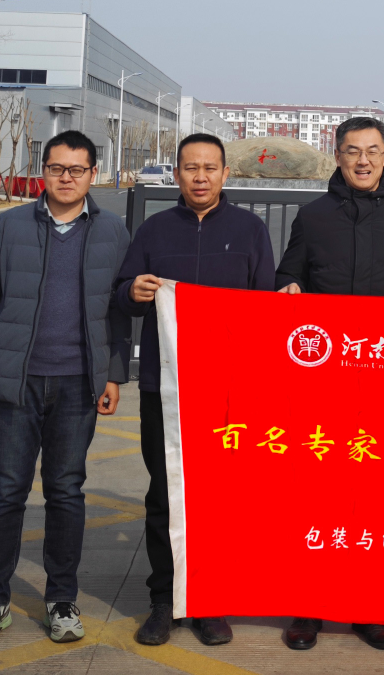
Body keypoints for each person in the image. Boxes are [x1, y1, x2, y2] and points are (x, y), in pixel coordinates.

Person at [275, 114, 384, 651]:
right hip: (323, 383)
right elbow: (289, 273)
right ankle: (308, 607)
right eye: (352, 151)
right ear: (338, 156)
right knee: (317, 496)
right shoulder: (313, 216)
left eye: (372, 151)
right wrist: (289, 287)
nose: (363, 160)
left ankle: (371, 607)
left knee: (378, 499)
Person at [0, 130, 129, 647]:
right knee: (5, 491)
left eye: (76, 170)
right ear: (44, 172)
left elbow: (119, 311)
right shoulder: (8, 226)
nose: (66, 178)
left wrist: (113, 374)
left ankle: (61, 599)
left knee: (66, 491)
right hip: (16, 383)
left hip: (79, 384)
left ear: (93, 174)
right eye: (57, 168)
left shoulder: (113, 231)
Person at [111, 132, 277, 648]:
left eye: (209, 168)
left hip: (228, 390)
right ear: (177, 174)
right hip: (165, 388)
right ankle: (164, 600)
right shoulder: (154, 230)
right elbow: (122, 295)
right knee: (164, 494)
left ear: (226, 174)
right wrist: (134, 291)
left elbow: (266, 309)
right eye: (190, 168)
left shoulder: (250, 231)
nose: (200, 177)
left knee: (220, 498)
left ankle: (209, 601)